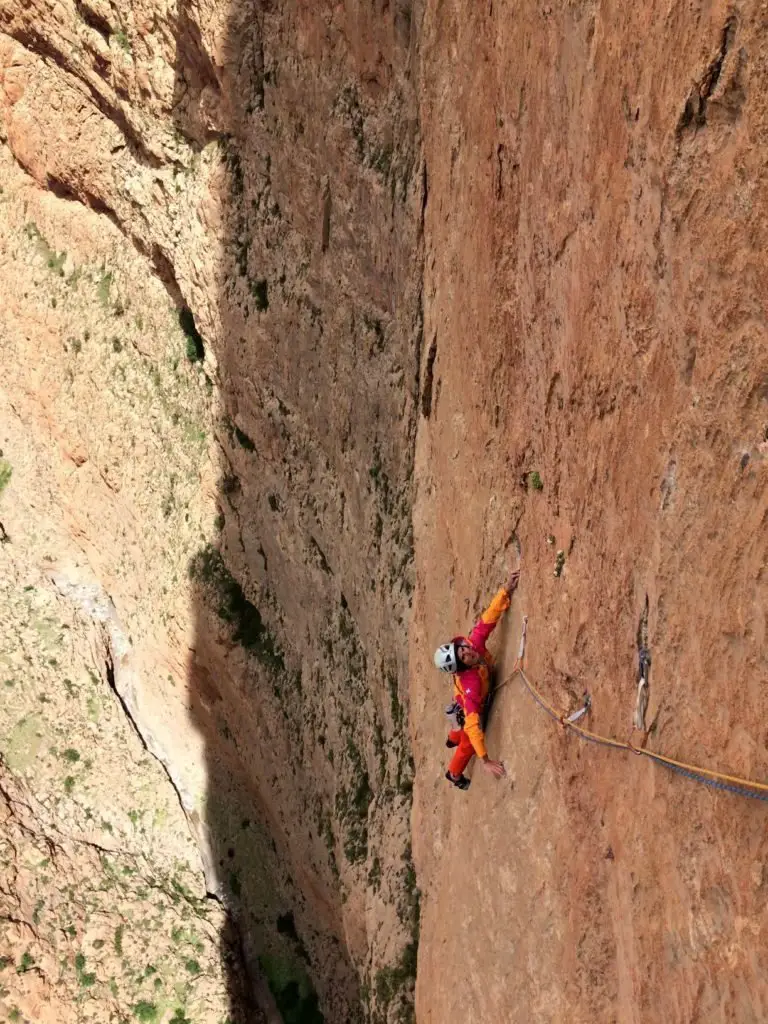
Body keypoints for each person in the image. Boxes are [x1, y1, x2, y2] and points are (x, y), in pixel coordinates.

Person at [433, 570, 520, 790]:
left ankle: (452, 737)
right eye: (463, 658)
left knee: (460, 728)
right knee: (467, 744)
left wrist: (505, 590)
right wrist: (485, 760)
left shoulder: (474, 644)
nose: (468, 654)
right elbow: (472, 724)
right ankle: (453, 773)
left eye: (462, 650)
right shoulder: (470, 682)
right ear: (462, 667)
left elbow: (488, 620)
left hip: (462, 697)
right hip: (467, 702)